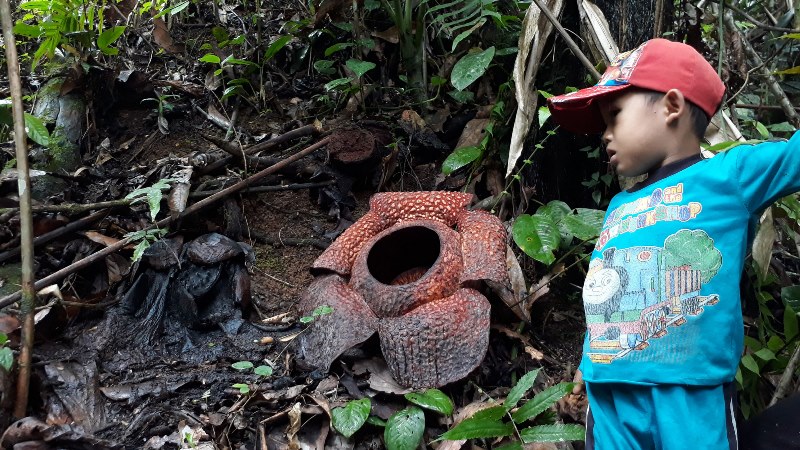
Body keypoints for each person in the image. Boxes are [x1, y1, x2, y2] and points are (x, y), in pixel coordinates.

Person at [546, 38, 800, 449]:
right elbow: (609, 290)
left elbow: (794, 156)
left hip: (688, 389)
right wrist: (585, 363)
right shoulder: (618, 204)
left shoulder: (729, 176)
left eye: (614, 116)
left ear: (671, 106)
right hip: (609, 393)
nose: (605, 135)